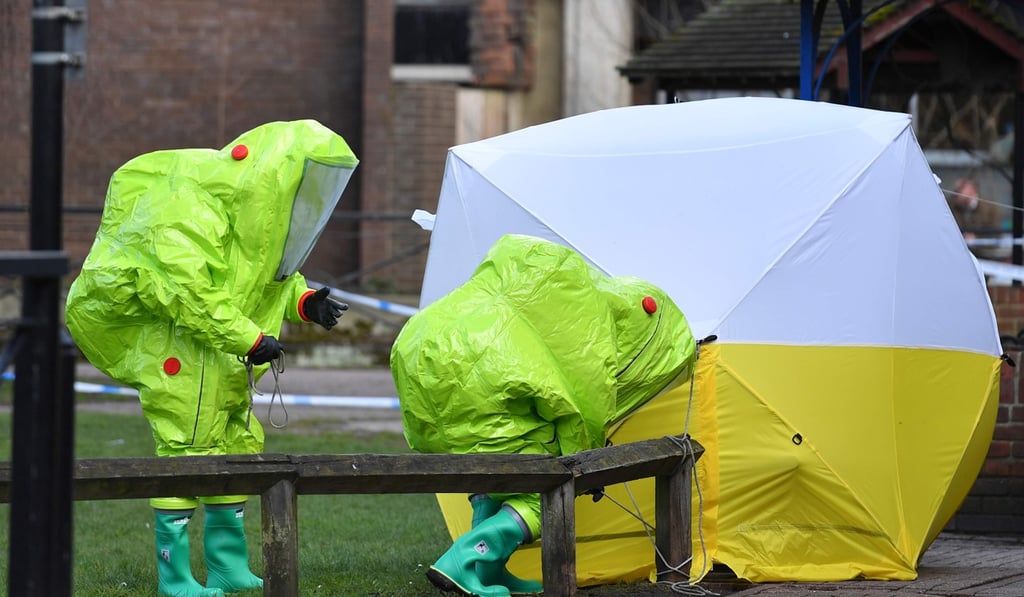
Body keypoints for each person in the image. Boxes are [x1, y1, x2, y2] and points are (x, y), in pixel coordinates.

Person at [65, 120, 357, 597]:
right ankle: (175, 576)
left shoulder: (255, 220)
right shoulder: (187, 208)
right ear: (276, 175)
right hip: (182, 351)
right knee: (186, 451)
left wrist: (305, 302)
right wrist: (250, 339)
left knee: (237, 447)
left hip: (223, 358)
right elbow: (192, 295)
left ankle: (227, 566)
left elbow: (262, 278)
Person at [390, 234, 697, 597]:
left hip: (421, 368)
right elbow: (582, 414)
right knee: (545, 491)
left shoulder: (552, 294)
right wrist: (583, 466)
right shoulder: (588, 336)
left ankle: (490, 570)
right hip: (471, 383)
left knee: (496, 464)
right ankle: (468, 560)